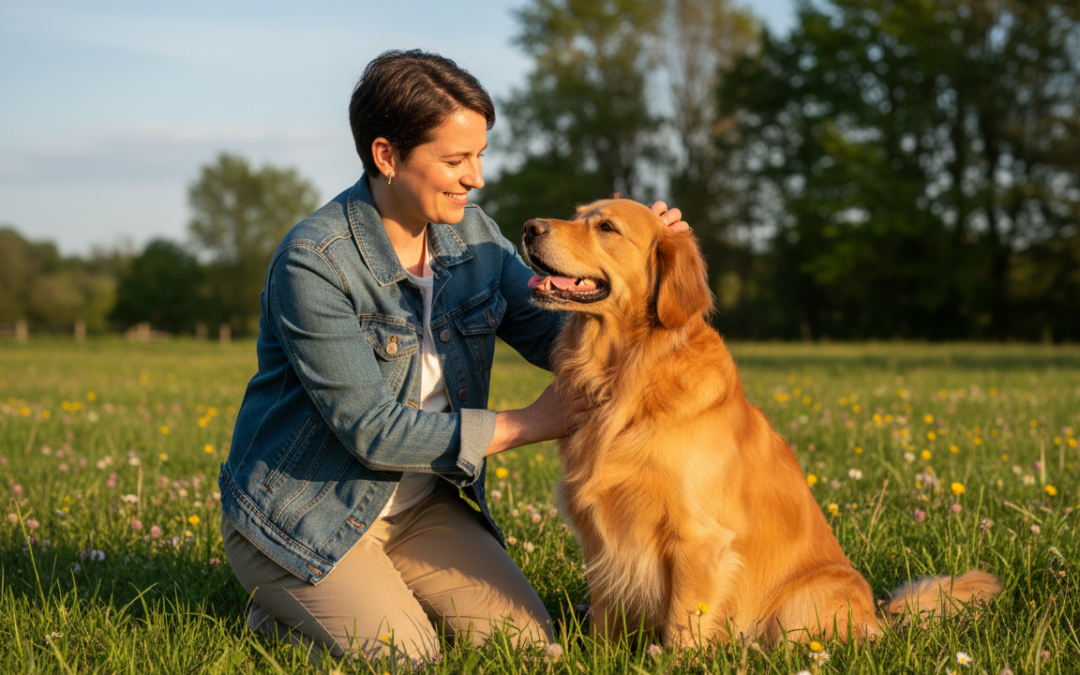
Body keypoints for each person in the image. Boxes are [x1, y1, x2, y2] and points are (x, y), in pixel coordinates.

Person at [218, 49, 688, 663]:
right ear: (387, 156)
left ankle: (365, 599)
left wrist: (635, 265)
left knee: (527, 648)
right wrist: (531, 424)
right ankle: (279, 610)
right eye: (455, 159)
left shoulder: (474, 236)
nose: (477, 177)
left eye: (480, 155)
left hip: (420, 507)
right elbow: (372, 430)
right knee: (410, 658)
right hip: (307, 518)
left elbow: (555, 336)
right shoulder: (316, 262)